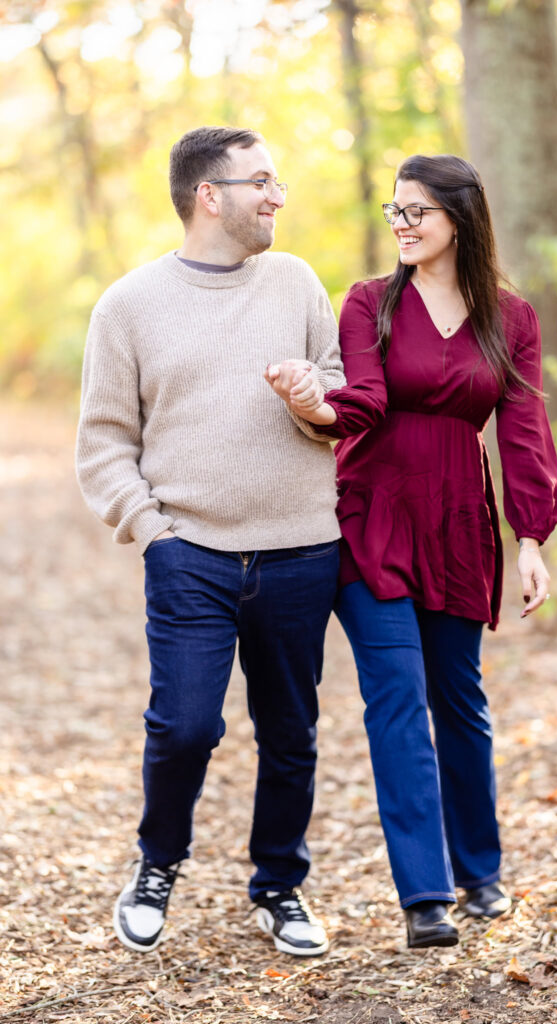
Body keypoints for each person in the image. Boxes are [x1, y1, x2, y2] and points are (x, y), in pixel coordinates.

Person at [266, 154, 557, 949]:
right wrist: (313, 403)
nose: (399, 225)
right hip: (373, 514)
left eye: (415, 212)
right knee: (396, 697)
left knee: (457, 700)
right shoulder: (367, 303)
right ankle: (424, 894)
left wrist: (529, 540)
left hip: (460, 522)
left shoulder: (511, 319)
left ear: (458, 219)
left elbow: (525, 437)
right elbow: (360, 399)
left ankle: (480, 872)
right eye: (394, 211)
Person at [76, 126, 347, 957]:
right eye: (261, 181)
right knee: (186, 726)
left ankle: (279, 885)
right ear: (209, 195)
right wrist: (154, 532)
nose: (276, 196)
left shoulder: (297, 282)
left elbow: (343, 405)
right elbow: (103, 443)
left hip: (301, 549)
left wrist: (313, 399)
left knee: (291, 731)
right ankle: (157, 864)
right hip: (188, 552)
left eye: (278, 182)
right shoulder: (128, 305)